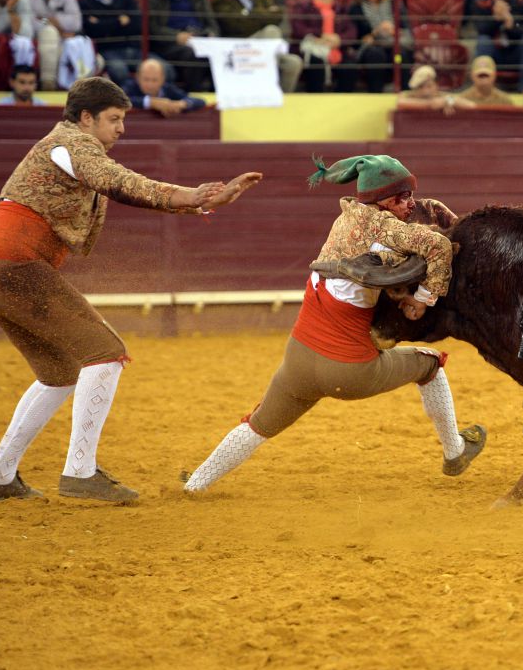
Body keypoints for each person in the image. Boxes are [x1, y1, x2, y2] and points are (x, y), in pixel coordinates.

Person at [0, 77, 261, 502]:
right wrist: (192, 195)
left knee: (58, 374)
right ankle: (80, 472)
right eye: (114, 119)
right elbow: (121, 182)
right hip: (15, 265)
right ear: (86, 118)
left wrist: (199, 202)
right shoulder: (73, 143)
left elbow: (118, 183)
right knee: (105, 351)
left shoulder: (68, 147)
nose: (121, 128)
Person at [183, 155, 486, 494]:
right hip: (349, 370)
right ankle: (454, 451)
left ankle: (196, 483)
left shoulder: (343, 222)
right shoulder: (387, 230)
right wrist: (423, 297)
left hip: (298, 361)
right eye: (402, 198)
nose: (410, 203)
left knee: (258, 426)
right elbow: (440, 246)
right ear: (383, 201)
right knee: (430, 365)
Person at [211, 0, 303, 93]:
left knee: (294, 62)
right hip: (237, 48)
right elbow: (235, 26)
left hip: (263, 49)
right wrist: (264, 15)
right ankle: (269, 83)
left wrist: (247, 15)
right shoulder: (221, 0)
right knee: (271, 31)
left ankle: (281, 99)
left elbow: (277, 17)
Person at [19, 0, 94, 90]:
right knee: (49, 32)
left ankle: (80, 90)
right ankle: (49, 83)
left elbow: (76, 22)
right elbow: (29, 23)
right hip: (36, 41)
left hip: (63, 42)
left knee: (83, 46)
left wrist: (45, 19)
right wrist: (53, 25)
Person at [148, 0, 219, 92]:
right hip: (170, 45)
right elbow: (152, 27)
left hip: (199, 39)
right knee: (192, 54)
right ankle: (194, 96)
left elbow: (212, 23)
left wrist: (211, 34)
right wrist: (176, 36)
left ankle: (217, 98)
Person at [346, 0, 413, 94]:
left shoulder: (395, 3)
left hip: (394, 45)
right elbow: (355, 39)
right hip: (371, 49)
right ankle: (375, 93)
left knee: (400, 55)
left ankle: (404, 93)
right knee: (375, 54)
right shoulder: (355, 8)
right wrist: (374, 33)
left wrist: (394, 31)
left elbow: (407, 31)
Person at [79, 0, 142, 85]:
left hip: (134, 49)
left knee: (164, 70)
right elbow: (92, 31)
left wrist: (102, 24)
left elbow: (137, 25)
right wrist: (120, 21)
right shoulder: (84, 3)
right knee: (119, 72)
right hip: (106, 51)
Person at [292, 0, 358, 93]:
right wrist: (320, 36)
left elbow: (352, 31)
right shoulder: (302, 8)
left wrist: (339, 39)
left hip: (337, 48)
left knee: (350, 65)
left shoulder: (341, 10)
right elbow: (298, 29)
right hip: (310, 49)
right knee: (316, 62)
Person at [122, 58, 206, 116]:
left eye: (154, 80)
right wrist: (151, 102)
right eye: (146, 79)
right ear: (138, 78)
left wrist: (181, 104)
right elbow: (120, 101)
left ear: (162, 79)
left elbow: (200, 101)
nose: (150, 84)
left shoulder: (168, 88)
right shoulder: (130, 86)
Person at [396, 63, 474, 112]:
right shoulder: (407, 95)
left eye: (429, 86)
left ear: (436, 85)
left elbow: (470, 105)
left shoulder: (442, 95)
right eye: (420, 87)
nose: (425, 91)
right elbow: (400, 102)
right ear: (414, 89)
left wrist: (447, 101)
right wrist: (430, 104)